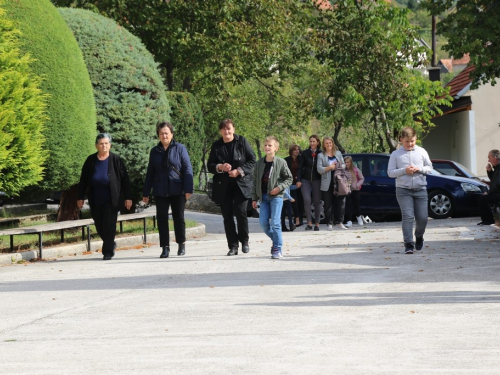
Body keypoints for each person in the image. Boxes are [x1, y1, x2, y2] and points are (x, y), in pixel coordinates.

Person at [77, 133, 132, 260]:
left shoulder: (116, 160)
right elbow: (83, 180)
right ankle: (110, 243)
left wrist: (128, 197)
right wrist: (80, 197)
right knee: (99, 225)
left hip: (112, 199)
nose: (104, 146)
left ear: (110, 145)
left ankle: (107, 251)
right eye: (101, 143)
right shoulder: (90, 160)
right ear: (96, 145)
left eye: (106, 143)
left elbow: (125, 180)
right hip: (95, 199)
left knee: (110, 224)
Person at [143, 122, 193, 258]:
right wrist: (146, 192)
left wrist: (188, 189)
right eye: (161, 133)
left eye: (166, 133)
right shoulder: (155, 151)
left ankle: (181, 244)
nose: (164, 135)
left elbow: (187, 168)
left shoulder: (180, 148)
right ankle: (165, 247)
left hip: (178, 189)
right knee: (162, 219)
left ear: (171, 134)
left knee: (179, 218)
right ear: (158, 135)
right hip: (160, 190)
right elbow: (150, 173)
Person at [207, 119, 256, 256]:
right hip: (224, 186)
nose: (226, 132)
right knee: (227, 216)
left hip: (241, 185)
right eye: (223, 129)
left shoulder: (242, 141)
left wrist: (239, 171)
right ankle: (233, 246)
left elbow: (252, 160)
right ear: (220, 131)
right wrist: (220, 167)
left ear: (233, 129)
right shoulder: (216, 145)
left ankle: (244, 241)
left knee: (241, 213)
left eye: (228, 129)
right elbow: (210, 165)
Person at [388, 127, 433, 254]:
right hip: (403, 190)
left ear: (416, 139)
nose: (409, 144)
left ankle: (419, 236)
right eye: (407, 141)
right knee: (408, 216)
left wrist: (419, 169)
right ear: (401, 140)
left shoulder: (422, 151)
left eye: (412, 141)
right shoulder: (396, 154)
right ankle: (408, 243)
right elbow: (390, 173)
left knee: (423, 218)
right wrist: (404, 171)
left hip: (420, 189)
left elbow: (429, 168)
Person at [251, 136, 293, 259]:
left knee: (275, 222)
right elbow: (254, 181)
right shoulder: (259, 163)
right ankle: (276, 241)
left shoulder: (281, 162)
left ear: (276, 148)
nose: (267, 147)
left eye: (270, 145)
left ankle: (277, 248)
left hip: (276, 197)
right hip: (263, 198)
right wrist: (254, 198)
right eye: (265, 145)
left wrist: (279, 188)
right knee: (263, 223)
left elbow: (289, 178)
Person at [317, 137, 346, 230]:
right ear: (324, 145)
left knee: (340, 203)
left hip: (339, 181)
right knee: (328, 204)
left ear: (332, 143)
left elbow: (344, 165)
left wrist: (338, 165)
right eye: (326, 143)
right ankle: (329, 223)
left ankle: (340, 222)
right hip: (327, 182)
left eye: (330, 143)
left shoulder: (338, 153)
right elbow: (319, 169)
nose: (329, 145)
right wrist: (330, 167)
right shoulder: (321, 155)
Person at [300, 135, 322, 231]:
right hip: (305, 180)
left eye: (314, 141)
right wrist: (298, 180)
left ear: (317, 142)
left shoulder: (321, 153)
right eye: (310, 141)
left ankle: (317, 223)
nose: (312, 143)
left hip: (317, 180)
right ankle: (309, 223)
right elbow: (300, 167)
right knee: (307, 200)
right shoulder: (305, 153)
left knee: (317, 202)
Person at [477, 149, 500, 225]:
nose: (488, 160)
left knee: (483, 199)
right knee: (483, 198)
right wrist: (489, 171)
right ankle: (488, 220)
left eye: (489, 158)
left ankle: (488, 220)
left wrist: (488, 193)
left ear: (495, 158)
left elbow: (497, 183)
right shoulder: (497, 167)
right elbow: (494, 180)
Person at [285, 144, 304, 227]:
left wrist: (299, 179)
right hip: (291, 183)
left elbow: (303, 170)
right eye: (295, 150)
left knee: (301, 201)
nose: (297, 151)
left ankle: (301, 218)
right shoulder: (286, 160)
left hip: (300, 182)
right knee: (294, 201)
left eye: (298, 149)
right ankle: (296, 218)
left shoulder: (301, 159)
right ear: (291, 151)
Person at [343, 156, 365, 227]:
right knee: (348, 206)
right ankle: (349, 221)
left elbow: (362, 178)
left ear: (351, 162)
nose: (347, 164)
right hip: (347, 191)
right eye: (345, 162)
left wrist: (357, 185)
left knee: (357, 205)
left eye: (348, 162)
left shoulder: (356, 170)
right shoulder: (344, 171)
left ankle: (359, 218)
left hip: (355, 190)